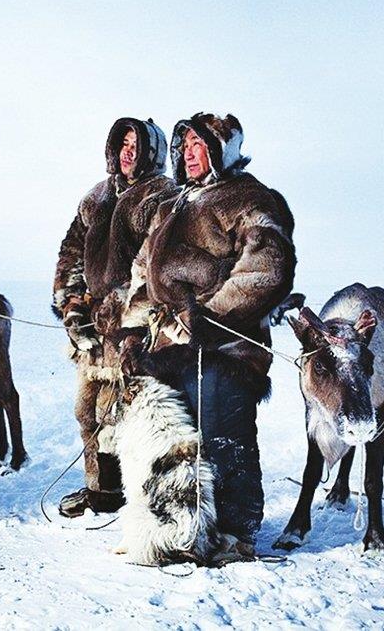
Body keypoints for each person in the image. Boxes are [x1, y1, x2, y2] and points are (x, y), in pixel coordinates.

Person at [119, 113, 297, 556]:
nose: (189, 153)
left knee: (222, 434)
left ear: (222, 150)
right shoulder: (172, 205)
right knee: (176, 442)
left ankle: (237, 532)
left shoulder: (250, 198)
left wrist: (209, 319)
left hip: (226, 347)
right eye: (185, 145)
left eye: (200, 144)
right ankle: (182, 528)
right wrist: (134, 330)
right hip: (167, 347)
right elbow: (144, 272)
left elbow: (267, 267)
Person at [53, 117, 178, 518]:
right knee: (86, 410)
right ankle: (99, 489)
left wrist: (127, 314)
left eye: (136, 144)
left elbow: (155, 263)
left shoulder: (161, 195)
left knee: (122, 413)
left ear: (151, 151)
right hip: (91, 326)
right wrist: (73, 306)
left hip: (134, 328)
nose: (128, 151)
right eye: (122, 143)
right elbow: (71, 252)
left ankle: (128, 494)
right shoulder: (96, 197)